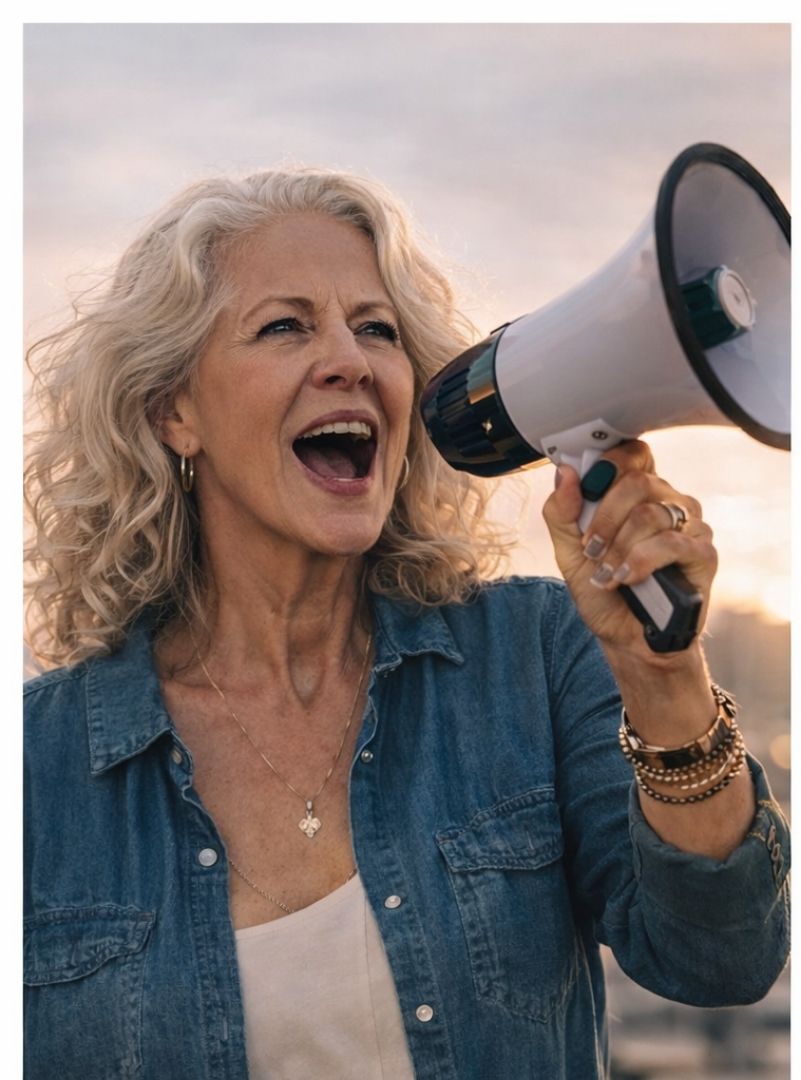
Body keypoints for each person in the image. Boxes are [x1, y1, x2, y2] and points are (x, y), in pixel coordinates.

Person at [24, 166, 789, 1080]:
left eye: (377, 330)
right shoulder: (37, 764)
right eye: (284, 326)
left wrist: (664, 680)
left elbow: (720, 957)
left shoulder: (532, 655)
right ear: (173, 411)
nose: (350, 360)